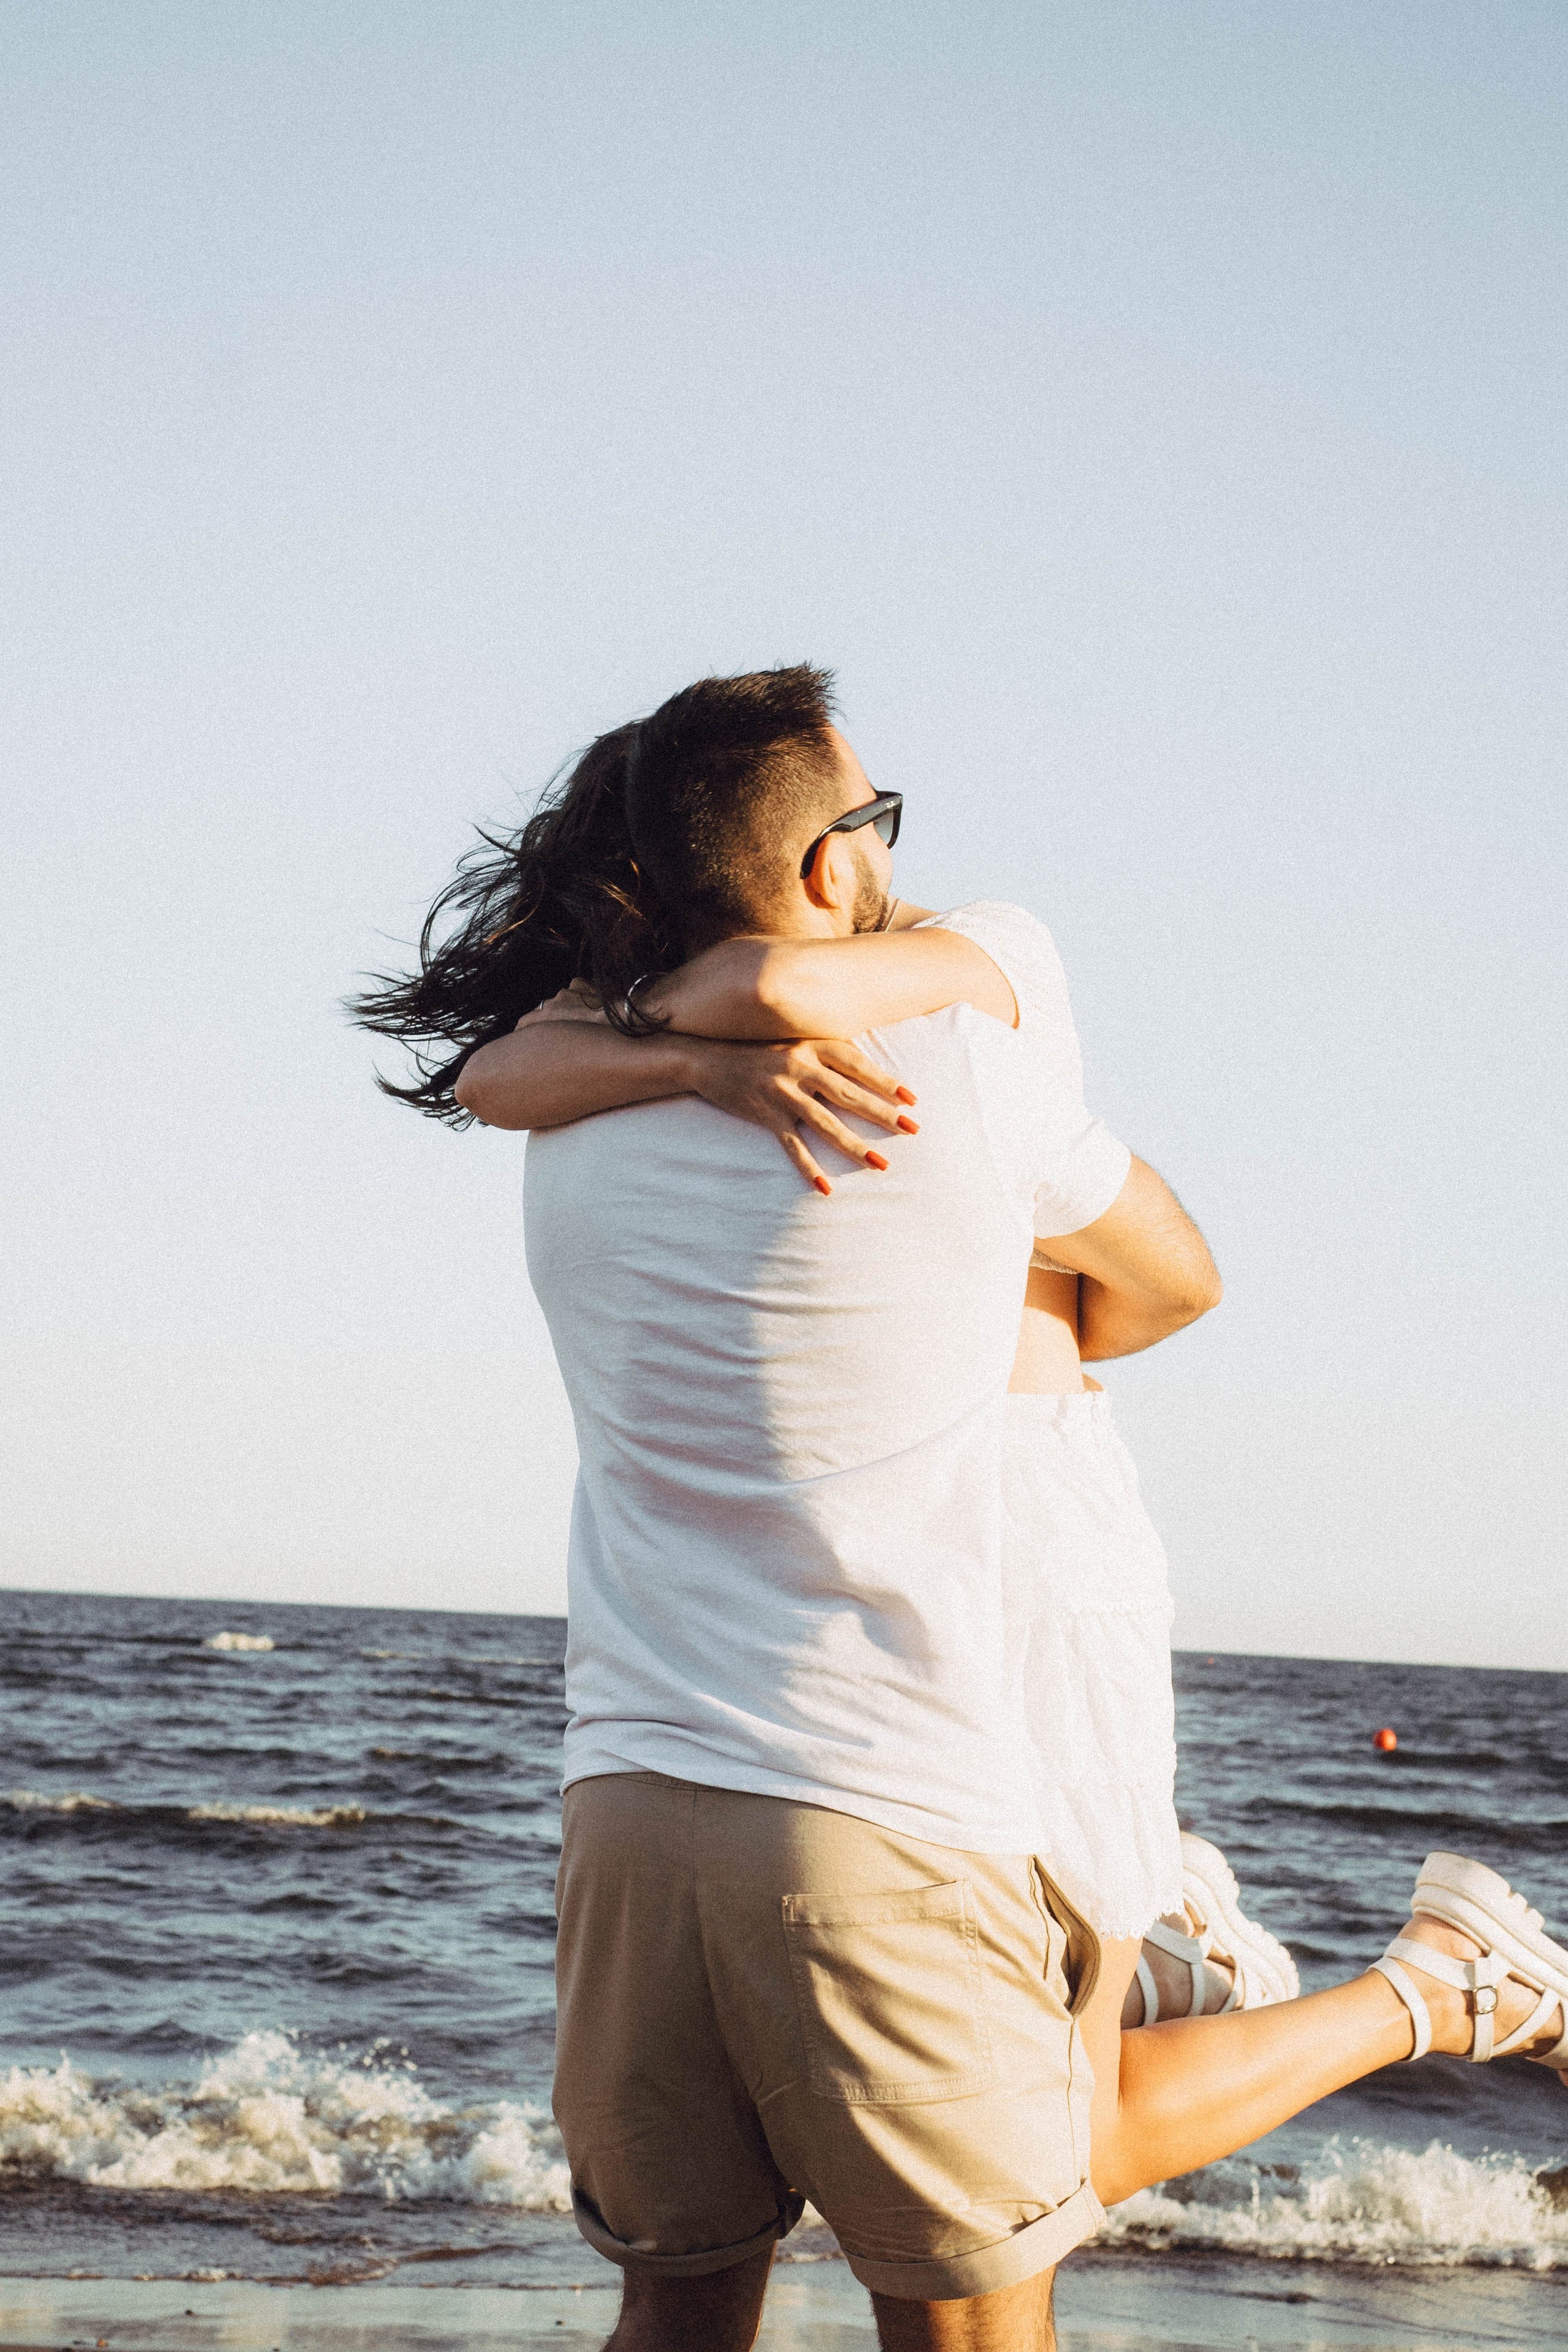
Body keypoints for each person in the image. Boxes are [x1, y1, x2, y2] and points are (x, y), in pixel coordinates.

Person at [356, 666, 1568, 2352]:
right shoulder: (969, 1037)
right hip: (880, 1811)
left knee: (676, 2316)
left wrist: (684, 1055)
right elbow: (1175, 1276)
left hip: (627, 1804)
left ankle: (1185, 1959)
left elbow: (516, 1059)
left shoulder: (570, 1105)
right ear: (823, 866)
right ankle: (1276, 1971)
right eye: (877, 819)